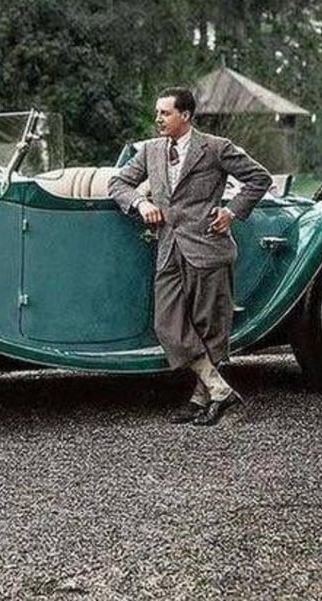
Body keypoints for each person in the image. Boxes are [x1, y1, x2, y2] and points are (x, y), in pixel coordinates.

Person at [108, 87, 272, 426]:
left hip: (208, 247)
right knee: (167, 325)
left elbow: (259, 178)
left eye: (165, 113)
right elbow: (118, 183)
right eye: (157, 113)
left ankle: (201, 401)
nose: (158, 119)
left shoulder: (215, 148)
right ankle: (220, 390)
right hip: (169, 248)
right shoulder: (150, 151)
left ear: (186, 115)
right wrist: (141, 202)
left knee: (209, 328)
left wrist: (231, 212)